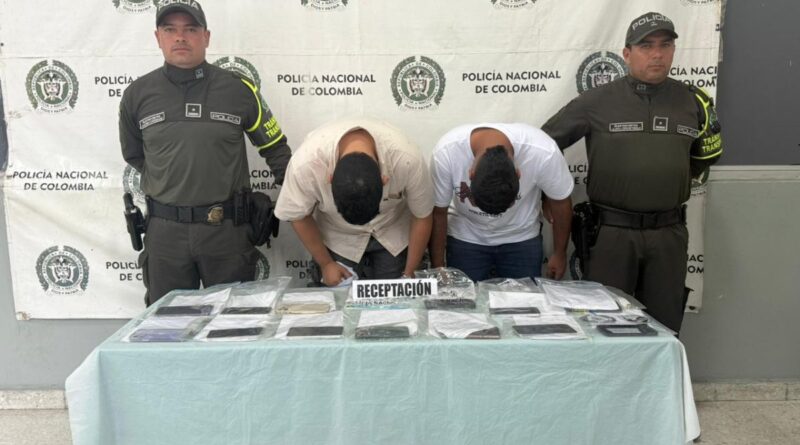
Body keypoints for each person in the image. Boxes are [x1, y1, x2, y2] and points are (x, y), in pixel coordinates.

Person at [541, 11, 723, 332]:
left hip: (668, 235)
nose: (657, 54)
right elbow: (543, 144)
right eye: (646, 46)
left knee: (665, 326)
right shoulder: (596, 101)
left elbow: (702, 159)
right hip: (612, 235)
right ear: (627, 54)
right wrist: (550, 194)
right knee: (606, 326)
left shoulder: (693, 102)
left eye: (665, 45)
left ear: (673, 50)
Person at [119, 0, 292, 305]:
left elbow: (276, 151)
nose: (180, 37)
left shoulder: (239, 89)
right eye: (170, 29)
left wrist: (304, 202)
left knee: (234, 324)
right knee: (167, 325)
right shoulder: (137, 94)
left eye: (190, 29)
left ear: (206, 37)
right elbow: (135, 155)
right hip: (165, 234)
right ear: (158, 37)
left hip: (226, 232)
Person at [274, 118, 434, 286]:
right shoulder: (306, 165)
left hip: (392, 231)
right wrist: (326, 264)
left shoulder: (407, 159)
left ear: (384, 179)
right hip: (337, 236)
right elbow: (297, 216)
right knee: (337, 295)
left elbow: (422, 215)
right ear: (330, 179)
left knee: (395, 297)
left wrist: (409, 274)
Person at [429, 123, 574, 282]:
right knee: (465, 297)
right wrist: (438, 268)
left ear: (518, 173)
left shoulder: (544, 152)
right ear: (471, 173)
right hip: (466, 237)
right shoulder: (446, 153)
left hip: (521, 238)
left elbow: (561, 202)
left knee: (524, 297)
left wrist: (560, 253)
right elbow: (439, 212)